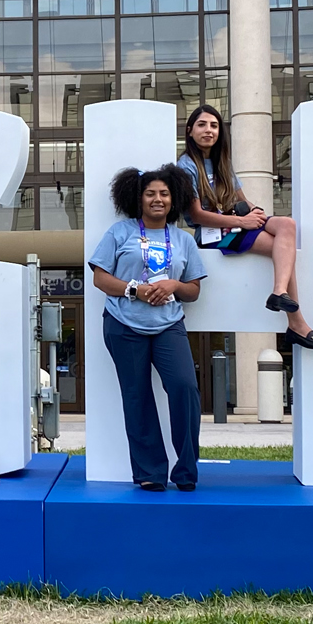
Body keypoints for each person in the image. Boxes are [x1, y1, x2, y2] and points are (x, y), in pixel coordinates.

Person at [89, 164, 208, 491]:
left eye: (165, 194)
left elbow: (194, 290)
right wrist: (135, 289)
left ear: (174, 199)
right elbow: (100, 277)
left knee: (185, 389)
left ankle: (186, 470)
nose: (158, 199)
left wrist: (173, 284)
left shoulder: (183, 240)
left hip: (169, 325)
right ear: (138, 199)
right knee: (137, 397)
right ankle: (150, 473)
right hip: (123, 325)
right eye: (150, 194)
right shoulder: (120, 232)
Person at [178, 104, 313, 350]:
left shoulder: (222, 163)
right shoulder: (185, 166)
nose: (209, 130)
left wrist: (256, 213)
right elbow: (197, 215)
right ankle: (297, 324)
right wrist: (242, 221)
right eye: (202, 124)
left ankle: (279, 291)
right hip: (213, 235)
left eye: (214, 125)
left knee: (287, 225)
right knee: (284, 251)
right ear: (190, 131)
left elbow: (242, 201)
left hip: (237, 225)